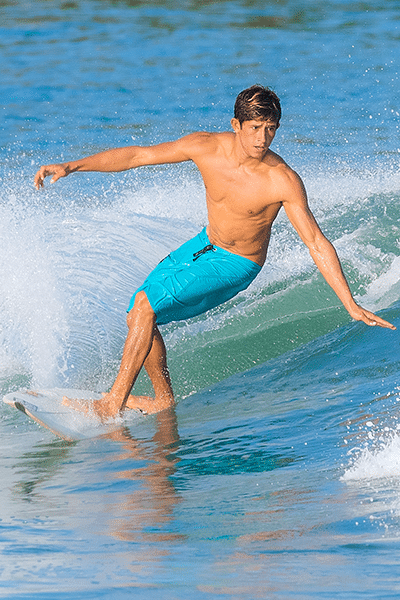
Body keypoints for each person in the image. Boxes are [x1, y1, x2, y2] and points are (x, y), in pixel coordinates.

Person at [34, 85, 395, 418]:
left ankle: (111, 405)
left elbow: (315, 241)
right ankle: (162, 401)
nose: (262, 137)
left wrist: (350, 303)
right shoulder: (205, 146)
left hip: (237, 263)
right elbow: (138, 156)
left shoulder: (281, 180)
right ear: (236, 124)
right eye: (255, 127)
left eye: (270, 128)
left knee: (146, 303)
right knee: (137, 312)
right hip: (204, 244)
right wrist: (72, 165)